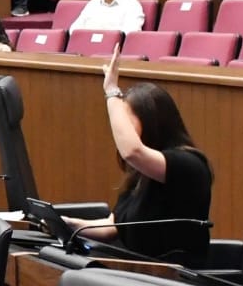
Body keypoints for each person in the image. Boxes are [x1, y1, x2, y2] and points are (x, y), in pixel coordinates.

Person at [65, 47, 213, 263]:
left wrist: (112, 92)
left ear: (151, 122)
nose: (121, 128)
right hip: (139, 270)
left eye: (127, 121)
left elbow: (132, 151)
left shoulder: (189, 164)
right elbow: (112, 226)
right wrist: (67, 224)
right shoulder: (142, 173)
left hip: (170, 275)